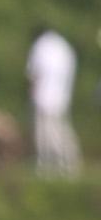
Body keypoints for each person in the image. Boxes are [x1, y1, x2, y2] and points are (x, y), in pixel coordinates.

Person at [27, 26, 81, 177]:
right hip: (62, 96)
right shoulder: (64, 46)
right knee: (61, 129)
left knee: (46, 133)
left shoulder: (41, 46)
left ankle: (47, 164)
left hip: (43, 96)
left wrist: (32, 91)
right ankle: (68, 161)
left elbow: (34, 73)